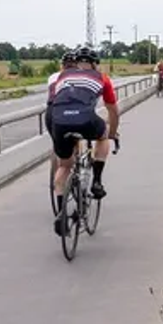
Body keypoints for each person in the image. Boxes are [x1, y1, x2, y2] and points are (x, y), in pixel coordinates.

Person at [48, 46, 119, 235]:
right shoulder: (101, 78)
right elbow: (112, 110)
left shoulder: (62, 76)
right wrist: (113, 133)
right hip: (85, 120)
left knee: (64, 166)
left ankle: (61, 212)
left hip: (59, 121)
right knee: (103, 137)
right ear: (95, 64)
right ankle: (96, 180)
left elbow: (55, 101)